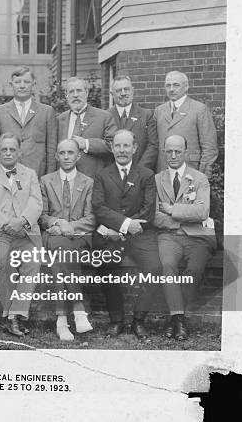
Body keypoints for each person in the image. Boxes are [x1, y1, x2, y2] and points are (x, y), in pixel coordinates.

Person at [92, 129, 162, 339]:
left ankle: (138, 320)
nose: (122, 150)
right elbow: (99, 207)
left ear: (134, 148)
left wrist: (130, 226)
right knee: (106, 264)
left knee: (155, 268)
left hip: (140, 234)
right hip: (110, 233)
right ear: (112, 148)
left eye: (126, 146)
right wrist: (124, 224)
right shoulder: (102, 175)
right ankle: (116, 321)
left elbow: (149, 209)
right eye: (118, 146)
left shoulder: (147, 175)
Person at [0, 133, 43, 337]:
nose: (8, 153)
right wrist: (6, 224)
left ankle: (17, 313)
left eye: (12, 149)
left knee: (32, 262)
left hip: (24, 231)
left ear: (19, 152)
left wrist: (22, 221)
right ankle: (11, 318)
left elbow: (36, 202)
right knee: (6, 262)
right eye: (4, 149)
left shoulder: (29, 174)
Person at [153, 135, 216, 340]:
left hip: (198, 236)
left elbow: (202, 212)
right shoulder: (156, 180)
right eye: (169, 151)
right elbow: (153, 216)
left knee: (194, 270)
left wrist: (171, 209)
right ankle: (178, 319)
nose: (173, 155)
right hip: (168, 236)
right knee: (168, 265)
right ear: (164, 152)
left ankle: (174, 320)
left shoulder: (199, 179)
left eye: (177, 151)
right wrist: (182, 219)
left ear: (185, 152)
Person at [39, 139, 96, 341]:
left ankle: (62, 320)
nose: (66, 156)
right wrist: (57, 223)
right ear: (56, 156)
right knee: (63, 252)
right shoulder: (45, 181)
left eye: (70, 152)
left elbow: (91, 218)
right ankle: (79, 311)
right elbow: (42, 215)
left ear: (78, 156)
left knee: (59, 261)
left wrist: (69, 227)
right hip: (54, 234)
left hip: (79, 236)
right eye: (61, 153)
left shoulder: (88, 182)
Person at [0, 66, 57, 177]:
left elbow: (52, 150)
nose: (22, 86)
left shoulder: (47, 112)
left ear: (33, 84)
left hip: (37, 175)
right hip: (6, 175)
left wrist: (49, 178)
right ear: (11, 84)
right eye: (17, 82)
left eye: (26, 82)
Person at [154, 71, 218, 177]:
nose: (171, 89)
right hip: (163, 172)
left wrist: (201, 175)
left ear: (186, 86)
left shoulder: (199, 109)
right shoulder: (159, 111)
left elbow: (209, 147)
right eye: (168, 85)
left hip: (190, 170)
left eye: (176, 85)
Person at [57, 77, 117, 178]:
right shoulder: (60, 119)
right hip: (66, 180)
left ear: (87, 92)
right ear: (66, 95)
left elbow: (114, 146)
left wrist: (86, 144)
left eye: (79, 91)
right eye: (71, 92)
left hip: (94, 181)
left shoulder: (104, 117)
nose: (75, 95)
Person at [108, 75, 158, 171]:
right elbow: (105, 147)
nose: (123, 93)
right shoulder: (106, 116)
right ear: (112, 94)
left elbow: (153, 146)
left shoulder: (146, 115)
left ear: (132, 90)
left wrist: (138, 170)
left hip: (141, 175)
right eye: (118, 90)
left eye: (126, 89)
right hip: (112, 175)